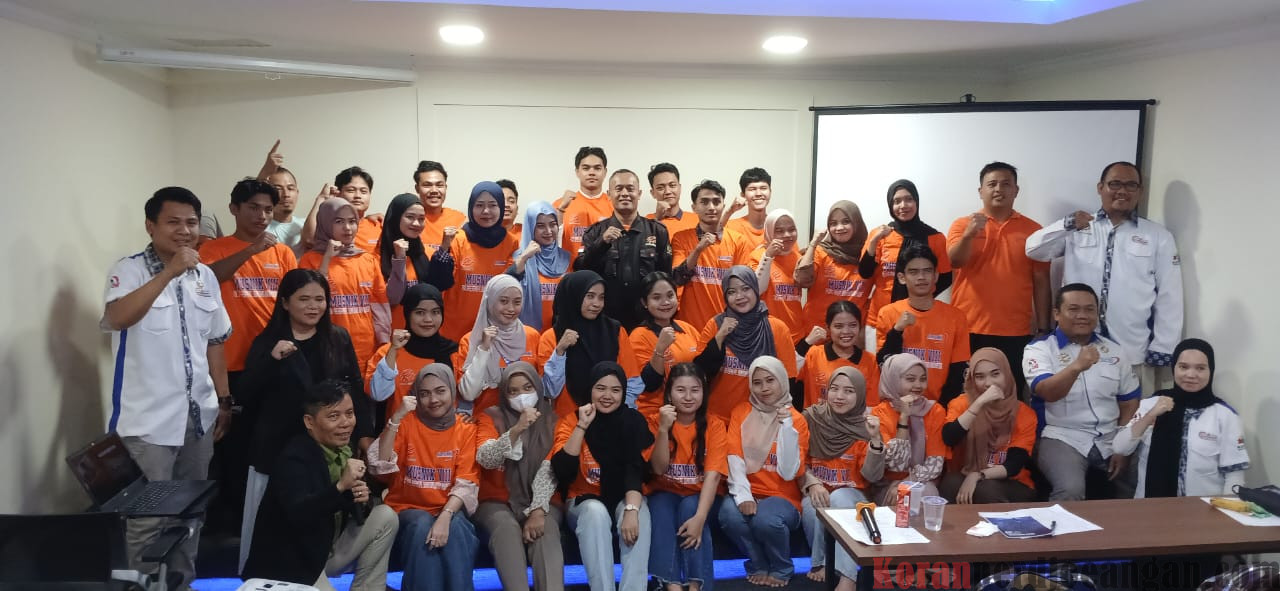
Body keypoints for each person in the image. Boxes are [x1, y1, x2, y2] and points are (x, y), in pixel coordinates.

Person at [101, 186, 233, 586]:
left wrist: (224, 399)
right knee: (147, 521)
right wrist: (169, 272)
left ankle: (180, 583)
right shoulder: (129, 270)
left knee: (190, 515)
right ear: (150, 226)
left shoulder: (205, 275)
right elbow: (117, 317)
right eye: (173, 222)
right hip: (147, 424)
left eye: (191, 222)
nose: (185, 230)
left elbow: (215, 341)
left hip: (198, 419)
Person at [237, 269, 373, 573]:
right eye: (304, 299)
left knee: (324, 516)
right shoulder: (268, 341)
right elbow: (245, 394)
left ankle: (319, 575)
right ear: (285, 303)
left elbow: (354, 389)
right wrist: (271, 360)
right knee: (276, 530)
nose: (313, 306)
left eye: (319, 299)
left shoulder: (338, 338)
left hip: (328, 449)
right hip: (277, 450)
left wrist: (364, 435)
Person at [198, 178, 297, 535]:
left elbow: (294, 302)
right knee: (233, 449)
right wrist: (251, 251)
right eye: (254, 207)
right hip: (230, 366)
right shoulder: (213, 249)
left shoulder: (282, 253)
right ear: (234, 209)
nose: (262, 215)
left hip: (274, 364)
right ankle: (233, 526)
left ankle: (269, 522)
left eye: (268, 209)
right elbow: (208, 278)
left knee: (274, 445)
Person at [1025, 161, 1184, 373]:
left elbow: (1170, 295)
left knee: (1133, 397)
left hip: (1131, 351)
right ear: (1100, 188)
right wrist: (1066, 224)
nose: (1122, 191)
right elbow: (1033, 250)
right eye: (1115, 184)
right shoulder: (1079, 227)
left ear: (1140, 191)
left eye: (1131, 185)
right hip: (1075, 350)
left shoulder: (1158, 236)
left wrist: (1164, 347)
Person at [242, 380, 398, 591]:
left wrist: (361, 499)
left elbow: (346, 507)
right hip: (294, 562)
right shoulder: (294, 457)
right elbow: (299, 513)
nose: (345, 423)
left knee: (385, 516)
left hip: (327, 549)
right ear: (309, 421)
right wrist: (340, 487)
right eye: (334, 416)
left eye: (349, 413)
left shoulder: (345, 450)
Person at [1024, 283, 1141, 501]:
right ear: (1056, 314)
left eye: (1089, 310)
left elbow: (1129, 402)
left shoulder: (1114, 350)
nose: (1082, 316)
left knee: (1140, 475)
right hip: (1060, 436)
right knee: (1070, 489)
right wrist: (1076, 367)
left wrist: (1124, 443)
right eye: (1074, 309)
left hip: (1110, 435)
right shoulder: (1039, 349)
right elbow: (1046, 391)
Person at [369, 364, 481, 591]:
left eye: (440, 391)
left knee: (458, 529)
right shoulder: (406, 422)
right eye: (424, 393)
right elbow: (379, 465)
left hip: (447, 507)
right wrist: (396, 418)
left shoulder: (466, 429)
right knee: (421, 525)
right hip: (407, 508)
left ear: (452, 391)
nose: (433, 400)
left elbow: (467, 481)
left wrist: (445, 516)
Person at [947, 162, 1052, 397]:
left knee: (1009, 396)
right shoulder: (962, 225)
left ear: (1016, 190)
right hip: (967, 326)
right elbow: (954, 261)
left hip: (1016, 330)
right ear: (980, 191)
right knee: (965, 395)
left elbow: (1041, 280)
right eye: (992, 184)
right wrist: (969, 235)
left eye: (1006, 184)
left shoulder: (1034, 231)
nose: (998, 189)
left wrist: (1044, 328)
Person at [551, 361, 655, 591]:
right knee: (595, 512)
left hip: (623, 496)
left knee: (640, 513)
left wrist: (631, 511)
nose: (607, 396)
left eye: (615, 390)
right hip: (583, 501)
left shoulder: (633, 421)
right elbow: (562, 471)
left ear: (623, 393)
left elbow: (636, 471)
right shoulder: (572, 420)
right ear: (590, 389)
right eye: (600, 388)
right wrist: (582, 426)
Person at [1113, 339, 1248, 498]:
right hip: (1149, 506)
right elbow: (1120, 447)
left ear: (1210, 371)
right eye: (1183, 367)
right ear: (1174, 368)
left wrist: (1226, 510)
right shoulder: (1152, 404)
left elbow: (1234, 475)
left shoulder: (1224, 415)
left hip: (1203, 509)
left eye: (1200, 368)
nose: (1191, 375)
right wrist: (1150, 416)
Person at [718, 356, 810, 588]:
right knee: (729, 514)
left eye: (770, 380)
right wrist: (744, 496)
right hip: (749, 490)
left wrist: (786, 427)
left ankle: (782, 567)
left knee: (765, 519)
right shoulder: (741, 412)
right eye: (757, 382)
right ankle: (758, 563)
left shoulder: (797, 420)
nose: (764, 388)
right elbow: (734, 457)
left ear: (782, 380)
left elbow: (789, 472)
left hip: (783, 498)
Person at [473, 362, 564, 591]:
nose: (521, 396)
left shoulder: (554, 421)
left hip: (543, 500)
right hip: (496, 501)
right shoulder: (490, 417)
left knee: (546, 530)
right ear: (504, 394)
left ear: (538, 388)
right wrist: (517, 429)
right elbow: (486, 458)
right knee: (506, 529)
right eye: (512, 391)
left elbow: (551, 468)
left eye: (527, 388)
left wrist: (538, 510)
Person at [800, 368, 883, 591]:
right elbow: (799, 460)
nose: (839, 396)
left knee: (839, 498)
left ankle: (848, 578)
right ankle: (822, 562)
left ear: (860, 395)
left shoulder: (866, 426)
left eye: (848, 391)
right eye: (834, 389)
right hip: (818, 489)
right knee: (811, 507)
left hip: (853, 496)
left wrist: (875, 439)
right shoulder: (811, 418)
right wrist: (812, 482)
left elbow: (872, 476)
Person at [647, 363, 726, 591]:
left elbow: (713, 477)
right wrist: (663, 430)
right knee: (660, 509)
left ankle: (695, 586)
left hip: (701, 494)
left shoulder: (715, 425)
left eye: (695, 390)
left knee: (691, 509)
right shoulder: (654, 421)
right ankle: (671, 585)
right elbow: (658, 469)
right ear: (669, 393)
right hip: (665, 490)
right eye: (681, 390)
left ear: (704, 392)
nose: (688, 397)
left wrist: (700, 518)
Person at [574, 168, 674, 329]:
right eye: (619, 189)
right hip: (605, 321)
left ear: (639, 194)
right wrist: (602, 243)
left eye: (630, 188)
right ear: (609, 194)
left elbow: (666, 276)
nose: (625, 193)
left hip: (647, 321)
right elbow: (580, 271)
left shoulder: (657, 231)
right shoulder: (596, 232)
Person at [540, 270, 645, 419]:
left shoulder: (615, 331)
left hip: (612, 419)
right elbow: (550, 391)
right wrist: (560, 351)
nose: (597, 304)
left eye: (601, 297)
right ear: (574, 296)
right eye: (590, 296)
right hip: (568, 422)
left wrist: (618, 415)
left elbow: (632, 380)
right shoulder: (552, 337)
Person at [940, 348, 1038, 504]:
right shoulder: (960, 404)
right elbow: (949, 438)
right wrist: (978, 403)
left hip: (1011, 481)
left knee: (986, 488)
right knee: (950, 483)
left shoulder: (1024, 413)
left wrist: (978, 475)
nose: (988, 383)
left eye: (995, 374)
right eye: (980, 377)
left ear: (1007, 374)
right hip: (966, 474)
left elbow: (1014, 465)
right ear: (972, 379)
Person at [699, 265, 797, 421]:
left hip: (761, 421)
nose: (739, 296)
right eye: (731, 292)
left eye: (745, 289)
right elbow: (699, 373)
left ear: (755, 289)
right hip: (716, 419)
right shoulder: (716, 325)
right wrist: (720, 335)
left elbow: (788, 379)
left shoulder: (777, 328)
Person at [297, 198, 390, 364]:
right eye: (339, 221)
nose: (347, 228)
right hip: (324, 347)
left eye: (352, 221)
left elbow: (379, 306)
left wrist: (384, 343)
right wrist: (327, 259)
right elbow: (309, 301)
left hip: (365, 347)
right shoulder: (310, 259)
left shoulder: (368, 259)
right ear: (325, 223)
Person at [875, 245, 970, 405]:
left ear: (936, 276)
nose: (921, 277)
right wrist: (897, 331)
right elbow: (884, 365)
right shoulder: (888, 313)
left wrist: (939, 410)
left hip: (939, 407)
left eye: (927, 271)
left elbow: (959, 370)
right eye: (913, 272)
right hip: (898, 406)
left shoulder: (956, 317)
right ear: (902, 277)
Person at [861, 179, 952, 325]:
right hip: (879, 318)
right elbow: (865, 272)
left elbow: (946, 277)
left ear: (916, 202)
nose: (903, 205)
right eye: (897, 201)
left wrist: (922, 296)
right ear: (890, 205)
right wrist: (874, 241)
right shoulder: (879, 235)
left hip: (918, 318)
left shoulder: (935, 238)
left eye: (909, 199)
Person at [440, 181, 521, 341]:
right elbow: (442, 281)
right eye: (479, 205)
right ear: (471, 207)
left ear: (501, 207)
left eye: (493, 205)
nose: (486, 211)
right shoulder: (458, 239)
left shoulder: (511, 242)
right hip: (455, 329)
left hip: (495, 329)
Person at [366, 284, 460, 421]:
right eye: (420, 312)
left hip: (444, 430)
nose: (428, 319)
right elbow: (378, 394)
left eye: (435, 312)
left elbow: (466, 396)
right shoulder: (388, 352)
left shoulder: (453, 352)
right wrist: (393, 350)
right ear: (408, 314)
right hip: (399, 431)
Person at [671, 180, 755, 330]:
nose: (711, 207)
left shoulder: (738, 241)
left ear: (723, 205)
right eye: (704, 202)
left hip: (727, 328)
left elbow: (743, 289)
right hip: (690, 327)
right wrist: (698, 249)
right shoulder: (681, 238)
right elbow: (677, 278)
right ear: (694, 208)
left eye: (716, 202)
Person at [629, 272, 715, 417]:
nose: (665, 302)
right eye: (657, 298)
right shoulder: (639, 336)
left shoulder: (688, 329)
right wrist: (660, 348)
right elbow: (649, 384)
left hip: (688, 414)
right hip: (654, 414)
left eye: (670, 295)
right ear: (644, 302)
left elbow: (703, 371)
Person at [456, 274, 542, 415]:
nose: (511, 308)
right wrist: (483, 349)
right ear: (490, 301)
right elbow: (469, 394)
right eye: (503, 301)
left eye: (517, 302)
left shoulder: (532, 336)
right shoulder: (471, 340)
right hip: (488, 419)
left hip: (528, 416)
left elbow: (540, 386)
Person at [869, 354, 946, 506]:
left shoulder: (935, 411)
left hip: (922, 481)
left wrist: (906, 483)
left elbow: (935, 465)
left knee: (924, 492)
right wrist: (904, 417)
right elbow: (896, 464)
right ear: (894, 380)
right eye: (910, 379)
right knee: (903, 497)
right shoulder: (880, 413)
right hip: (886, 485)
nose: (918, 385)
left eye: (922, 379)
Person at [794, 200, 873, 338]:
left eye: (846, 221)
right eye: (833, 223)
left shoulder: (868, 255)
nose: (839, 227)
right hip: (817, 335)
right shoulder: (820, 252)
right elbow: (801, 280)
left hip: (851, 337)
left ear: (856, 223)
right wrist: (813, 244)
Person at [378, 193, 454, 331]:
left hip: (425, 332)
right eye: (410, 217)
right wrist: (399, 259)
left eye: (421, 219)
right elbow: (392, 298)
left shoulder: (427, 253)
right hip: (392, 332)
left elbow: (438, 288)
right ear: (396, 217)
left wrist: (444, 248)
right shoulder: (376, 257)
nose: (416, 223)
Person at [795, 301, 880, 409]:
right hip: (816, 418)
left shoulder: (870, 360)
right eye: (838, 326)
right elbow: (788, 373)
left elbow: (872, 405)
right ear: (828, 328)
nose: (846, 331)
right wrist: (806, 343)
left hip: (855, 419)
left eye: (853, 325)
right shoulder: (814, 354)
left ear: (860, 326)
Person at [508, 201, 571, 332]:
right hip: (526, 334)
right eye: (540, 226)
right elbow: (503, 288)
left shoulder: (567, 258)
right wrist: (525, 257)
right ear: (531, 227)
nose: (548, 231)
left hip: (559, 334)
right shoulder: (518, 258)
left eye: (552, 224)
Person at [749, 208, 805, 343]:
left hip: (796, 334)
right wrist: (768, 257)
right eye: (779, 231)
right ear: (769, 232)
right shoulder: (758, 256)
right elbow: (756, 289)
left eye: (792, 229)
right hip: (766, 334)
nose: (787, 235)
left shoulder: (799, 258)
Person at [302, 167, 383, 252]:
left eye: (363, 191)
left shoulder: (378, 225)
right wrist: (322, 198)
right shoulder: (329, 225)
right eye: (351, 190)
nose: (358, 196)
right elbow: (309, 240)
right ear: (338, 194)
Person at [556, 146, 612, 264]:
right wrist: (560, 211)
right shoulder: (561, 205)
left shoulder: (614, 206)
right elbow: (550, 244)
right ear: (577, 172)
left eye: (597, 168)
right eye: (586, 168)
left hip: (605, 272)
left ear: (605, 172)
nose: (591, 173)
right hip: (570, 272)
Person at [254, 141, 305, 251]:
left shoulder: (305, 225)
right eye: (278, 189)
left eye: (290, 188)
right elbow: (253, 198)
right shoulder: (259, 227)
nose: (286, 194)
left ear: (297, 192)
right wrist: (264, 172)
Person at [414, 160, 466, 253]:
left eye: (439, 185)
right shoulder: (410, 220)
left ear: (446, 187)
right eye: (427, 185)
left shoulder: (459, 219)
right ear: (417, 188)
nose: (434, 190)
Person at [719, 167, 773, 248]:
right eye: (752, 189)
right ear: (743, 195)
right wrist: (729, 211)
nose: (758, 193)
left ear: (770, 192)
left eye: (763, 188)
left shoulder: (780, 228)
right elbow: (712, 239)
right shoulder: (732, 227)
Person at [647, 162, 698, 236]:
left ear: (680, 188)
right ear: (653, 193)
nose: (667, 191)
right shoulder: (646, 222)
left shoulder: (697, 220)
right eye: (660, 188)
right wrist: (657, 219)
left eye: (672, 185)